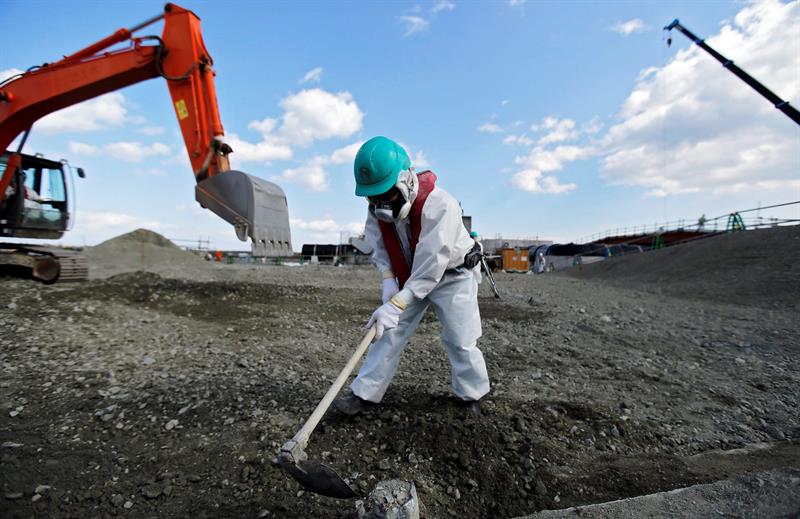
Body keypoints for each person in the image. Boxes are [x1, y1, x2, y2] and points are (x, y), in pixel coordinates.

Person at [334, 136, 490, 416]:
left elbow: (432, 264)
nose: (381, 204)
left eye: (387, 194)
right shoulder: (377, 210)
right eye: (374, 197)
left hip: (453, 274)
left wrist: (396, 303)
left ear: (405, 180)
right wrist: (387, 278)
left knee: (460, 337)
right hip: (409, 278)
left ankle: (471, 396)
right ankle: (364, 395)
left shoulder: (440, 205)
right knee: (386, 333)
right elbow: (378, 247)